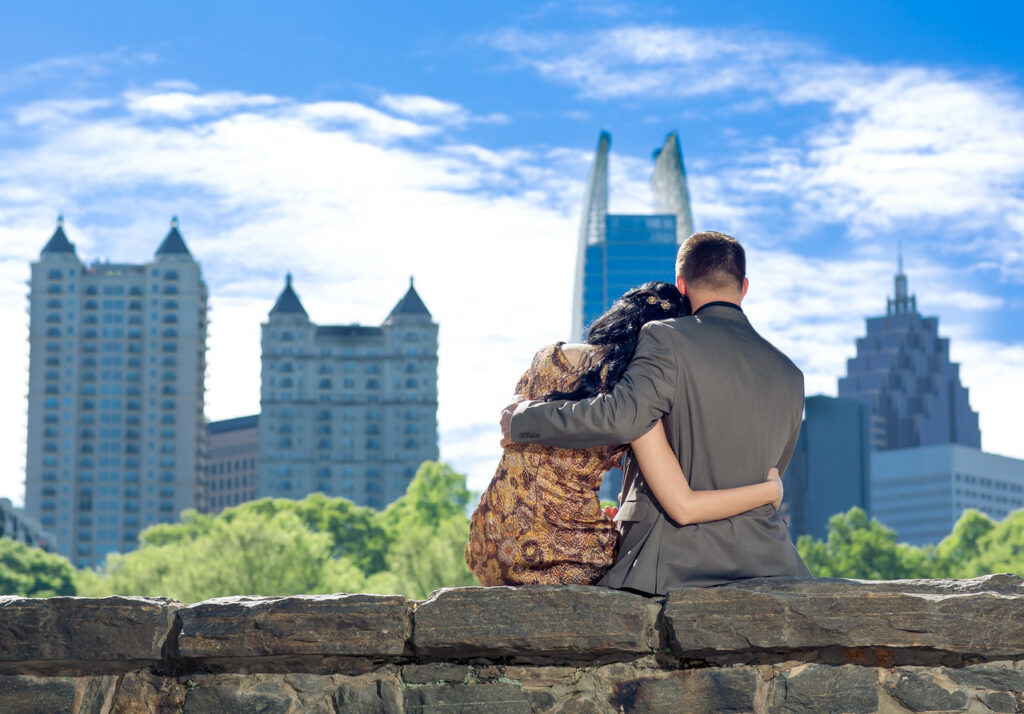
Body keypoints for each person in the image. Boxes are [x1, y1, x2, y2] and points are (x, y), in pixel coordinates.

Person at [501, 231, 812, 594]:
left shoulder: (665, 339)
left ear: (681, 284)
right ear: (744, 287)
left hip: (672, 563)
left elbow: (620, 417)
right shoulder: (791, 375)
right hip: (770, 561)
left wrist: (525, 419)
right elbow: (772, 471)